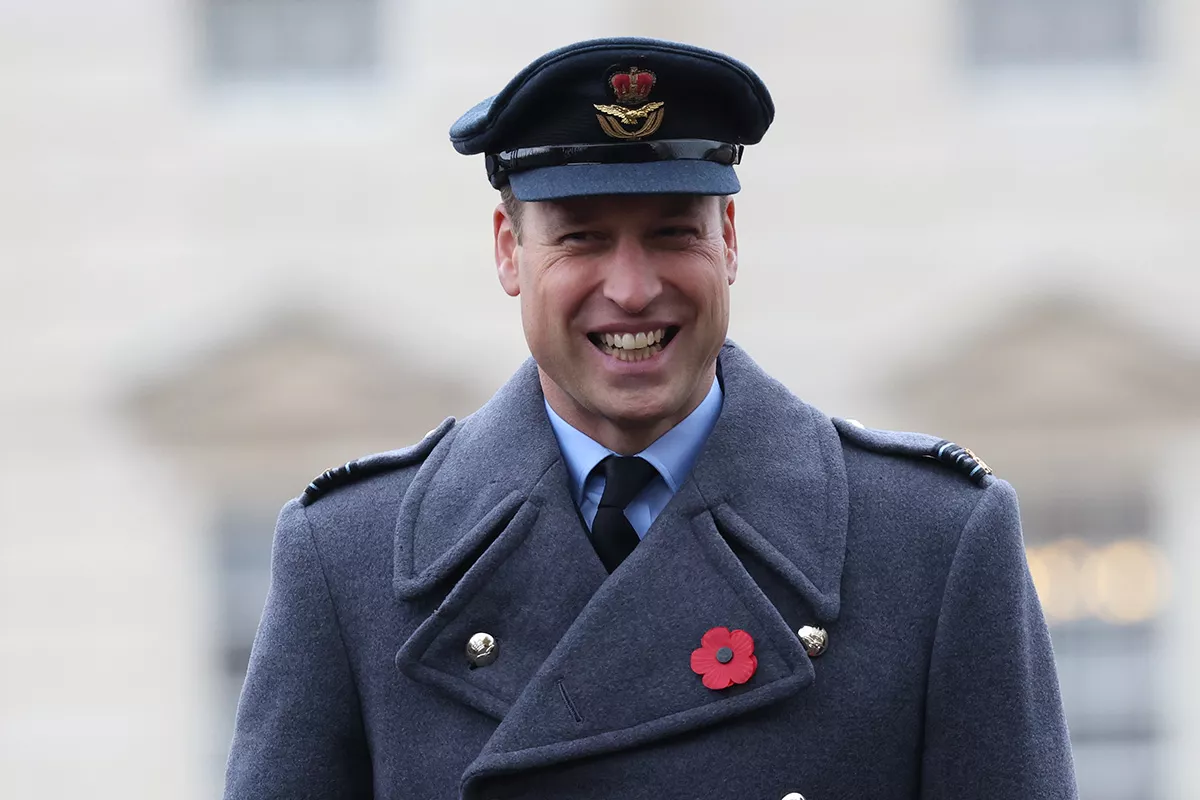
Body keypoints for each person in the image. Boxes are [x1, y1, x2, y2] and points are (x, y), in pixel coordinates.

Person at [224, 37, 1077, 800]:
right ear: (506, 251)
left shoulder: (933, 545)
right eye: (582, 239)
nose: (632, 289)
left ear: (730, 241)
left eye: (674, 233)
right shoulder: (349, 561)